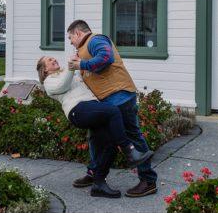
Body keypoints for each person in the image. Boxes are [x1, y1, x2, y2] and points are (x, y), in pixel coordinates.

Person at [65, 20, 158, 197]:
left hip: (119, 96)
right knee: (95, 136)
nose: (70, 42)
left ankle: (148, 180)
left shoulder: (95, 40)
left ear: (78, 33)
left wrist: (81, 65)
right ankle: (94, 173)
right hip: (108, 100)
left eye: (70, 37)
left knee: (132, 135)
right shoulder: (84, 49)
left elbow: (106, 58)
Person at [37, 56, 153, 198]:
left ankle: (99, 184)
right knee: (113, 111)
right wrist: (72, 67)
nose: (54, 59)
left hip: (93, 107)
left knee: (109, 144)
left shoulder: (68, 73)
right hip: (77, 110)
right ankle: (129, 150)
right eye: (49, 60)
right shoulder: (49, 82)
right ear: (44, 69)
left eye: (54, 58)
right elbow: (63, 85)